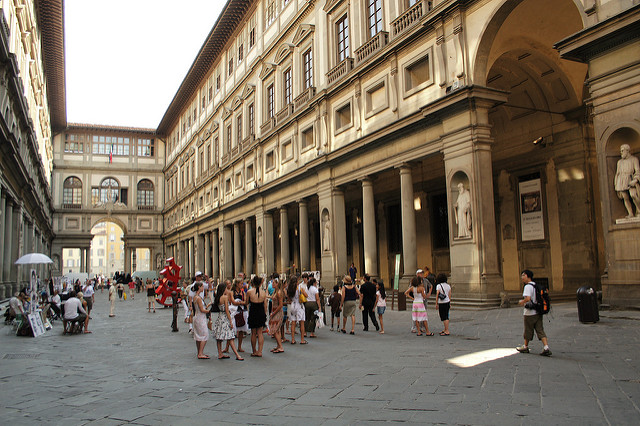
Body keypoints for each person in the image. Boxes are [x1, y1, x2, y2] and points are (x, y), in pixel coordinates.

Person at [517, 270, 551, 356]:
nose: (522, 277)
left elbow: (528, 298)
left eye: (523, 275)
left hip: (530, 313)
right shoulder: (535, 285)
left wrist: (522, 301)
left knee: (528, 330)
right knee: (540, 330)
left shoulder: (527, 287)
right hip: (538, 311)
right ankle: (546, 347)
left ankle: (525, 346)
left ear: (528, 276)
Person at [212, 283, 243, 360]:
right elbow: (226, 310)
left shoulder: (217, 297)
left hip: (220, 318)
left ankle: (220, 353)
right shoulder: (225, 297)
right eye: (226, 289)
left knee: (219, 338)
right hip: (225, 317)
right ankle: (237, 355)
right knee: (230, 337)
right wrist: (230, 321)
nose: (227, 290)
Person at [614, 143, 640, 218]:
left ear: (627, 151)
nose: (621, 152)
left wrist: (635, 180)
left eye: (622, 151)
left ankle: (639, 211)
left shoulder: (634, 159)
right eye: (620, 151)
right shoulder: (619, 162)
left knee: (633, 195)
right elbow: (617, 173)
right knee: (625, 197)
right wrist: (616, 184)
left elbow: (637, 171)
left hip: (630, 178)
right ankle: (630, 213)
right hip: (621, 180)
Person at [247, 275, 268, 357]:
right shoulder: (263, 293)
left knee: (253, 333)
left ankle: (254, 351)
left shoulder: (249, 292)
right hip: (261, 312)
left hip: (253, 312)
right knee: (260, 333)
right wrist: (265, 314)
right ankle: (260, 351)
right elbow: (265, 305)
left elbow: (246, 303)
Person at [191, 281, 210, 359]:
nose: (203, 288)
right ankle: (200, 353)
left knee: (198, 336)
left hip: (197, 317)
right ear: (199, 287)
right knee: (204, 335)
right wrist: (209, 311)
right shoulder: (198, 298)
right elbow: (202, 309)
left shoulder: (195, 297)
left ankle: (199, 351)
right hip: (200, 317)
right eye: (202, 286)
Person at [287, 276, 307, 344]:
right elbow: (306, 295)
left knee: (293, 323)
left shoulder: (290, 290)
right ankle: (302, 340)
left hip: (293, 305)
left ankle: (293, 339)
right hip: (299, 305)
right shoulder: (299, 288)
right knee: (302, 323)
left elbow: (289, 299)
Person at [268, 277, 285, 353]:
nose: (272, 284)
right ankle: (278, 345)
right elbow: (272, 298)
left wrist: (274, 313)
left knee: (275, 330)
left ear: (277, 283)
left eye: (273, 283)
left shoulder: (279, 293)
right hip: (274, 311)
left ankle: (280, 346)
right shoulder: (275, 291)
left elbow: (280, 305)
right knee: (276, 330)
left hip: (277, 312)